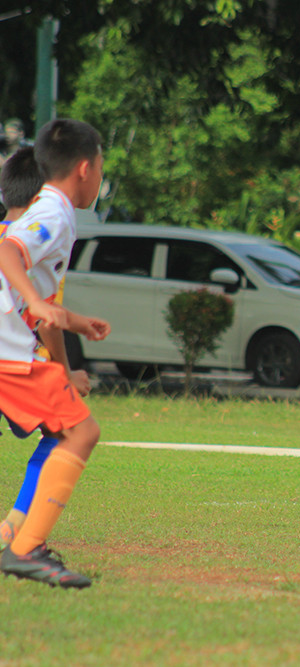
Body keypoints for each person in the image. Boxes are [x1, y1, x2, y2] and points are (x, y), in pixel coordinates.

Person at [0, 118, 110, 588]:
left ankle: (20, 539)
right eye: (102, 168)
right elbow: (7, 252)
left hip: (12, 339)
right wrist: (44, 304)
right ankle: (24, 549)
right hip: (7, 347)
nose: (100, 178)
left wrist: (71, 318)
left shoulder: (50, 209)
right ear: (85, 168)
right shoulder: (56, 211)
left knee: (72, 430)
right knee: (80, 432)